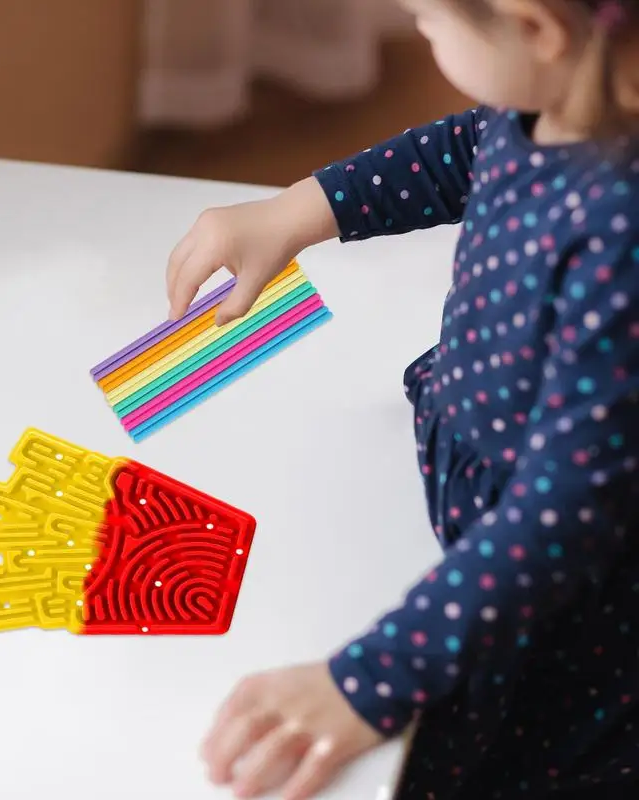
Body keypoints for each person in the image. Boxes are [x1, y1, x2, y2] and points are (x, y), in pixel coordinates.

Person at [165, 1, 639, 798]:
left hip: (559, 609)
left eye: (427, 20)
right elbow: (466, 149)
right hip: (470, 479)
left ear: (536, 30)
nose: (420, 34)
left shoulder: (620, 240)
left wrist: (368, 681)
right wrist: (294, 211)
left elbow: (564, 515)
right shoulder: (557, 105)